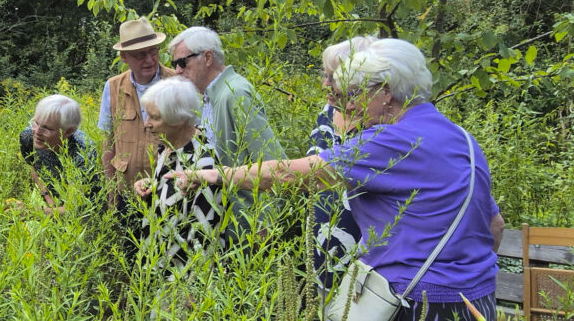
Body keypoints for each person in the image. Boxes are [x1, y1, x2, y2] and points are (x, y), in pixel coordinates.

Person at [168, 39, 505, 320]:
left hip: (417, 303)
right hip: (478, 302)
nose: (350, 105)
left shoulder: (391, 142)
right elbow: (495, 225)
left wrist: (214, 174)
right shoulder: (461, 138)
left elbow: (292, 173)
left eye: (356, 93)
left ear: (386, 92)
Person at [167, 26, 285, 231]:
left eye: (182, 62)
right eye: (174, 64)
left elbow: (273, 163)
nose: (177, 70)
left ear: (208, 58)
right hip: (223, 224)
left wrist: (264, 226)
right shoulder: (210, 97)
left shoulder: (235, 94)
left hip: (245, 226)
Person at [130, 77, 224, 271]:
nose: (146, 124)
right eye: (147, 116)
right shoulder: (167, 148)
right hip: (156, 266)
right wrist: (151, 186)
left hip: (178, 278)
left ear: (180, 119)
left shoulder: (204, 165)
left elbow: (205, 241)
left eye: (155, 118)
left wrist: (183, 288)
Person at [308, 36, 376, 292]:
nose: (325, 84)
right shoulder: (327, 113)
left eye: (333, 77)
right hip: (318, 249)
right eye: (324, 75)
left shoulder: (378, 125)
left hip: (363, 261)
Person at [97, 17, 178, 210]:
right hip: (126, 192)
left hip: (168, 189)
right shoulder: (113, 87)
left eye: (153, 51)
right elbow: (108, 142)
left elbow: (194, 136)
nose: (149, 60)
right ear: (124, 57)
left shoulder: (177, 83)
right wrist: (111, 193)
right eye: (140, 54)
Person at [17, 94, 97, 215]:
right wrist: (48, 198)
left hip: (84, 208)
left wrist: (28, 211)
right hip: (49, 195)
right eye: (36, 123)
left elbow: (70, 210)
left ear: (69, 131)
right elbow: (32, 166)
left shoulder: (84, 151)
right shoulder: (28, 136)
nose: (37, 132)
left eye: (47, 128)